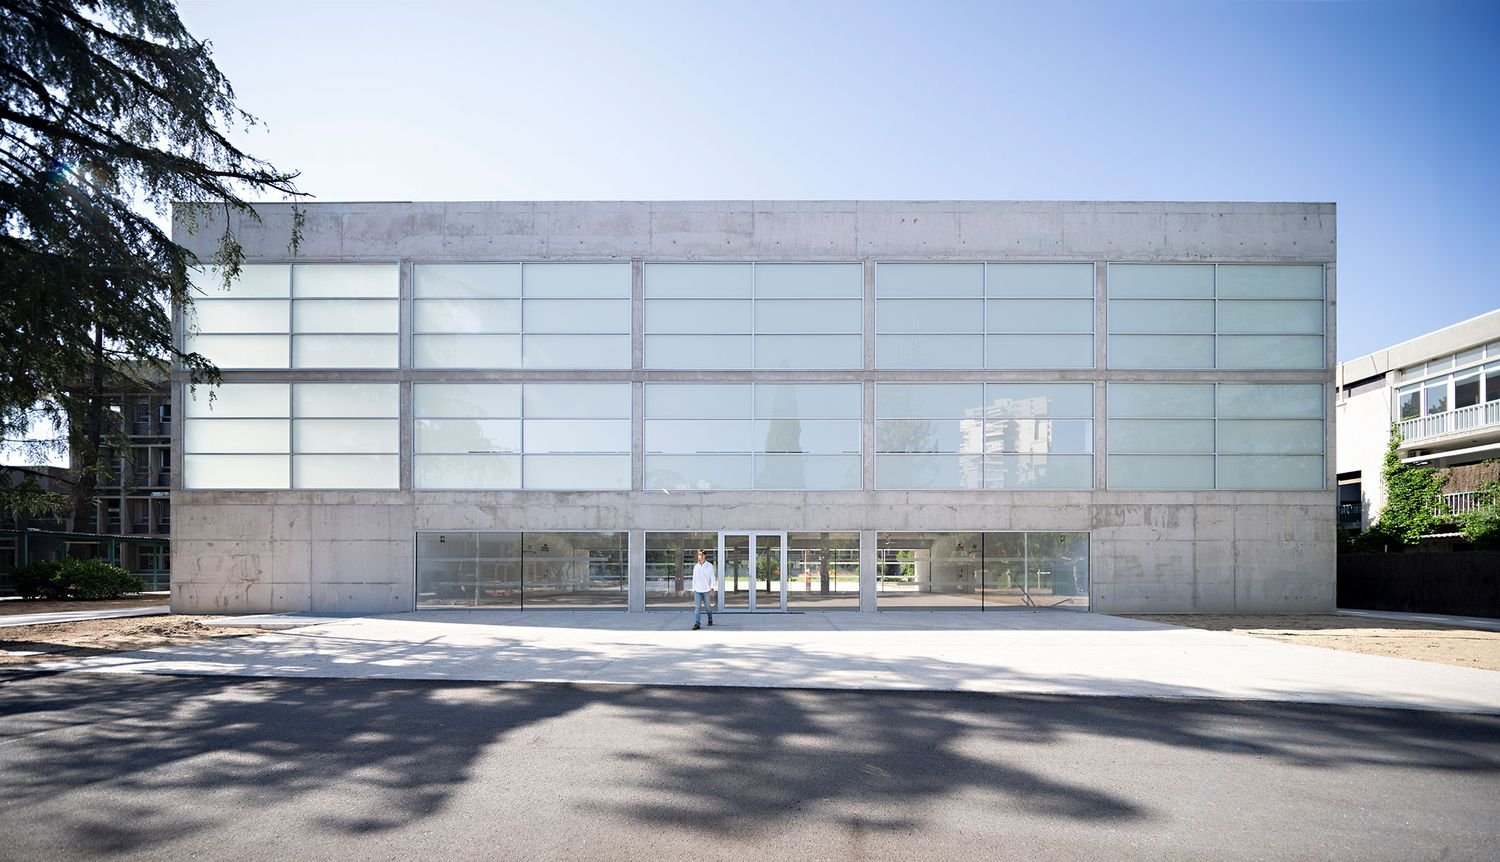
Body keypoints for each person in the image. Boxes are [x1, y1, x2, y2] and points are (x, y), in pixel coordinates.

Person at [691, 548, 717, 630]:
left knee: (707, 607)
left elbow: (712, 577)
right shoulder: (696, 567)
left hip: (706, 590)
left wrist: (713, 587)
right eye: (699, 555)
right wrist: (693, 588)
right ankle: (697, 623)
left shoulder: (709, 566)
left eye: (702, 555)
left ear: (705, 555)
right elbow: (694, 578)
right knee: (697, 607)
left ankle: (710, 619)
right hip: (697, 590)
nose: (701, 556)